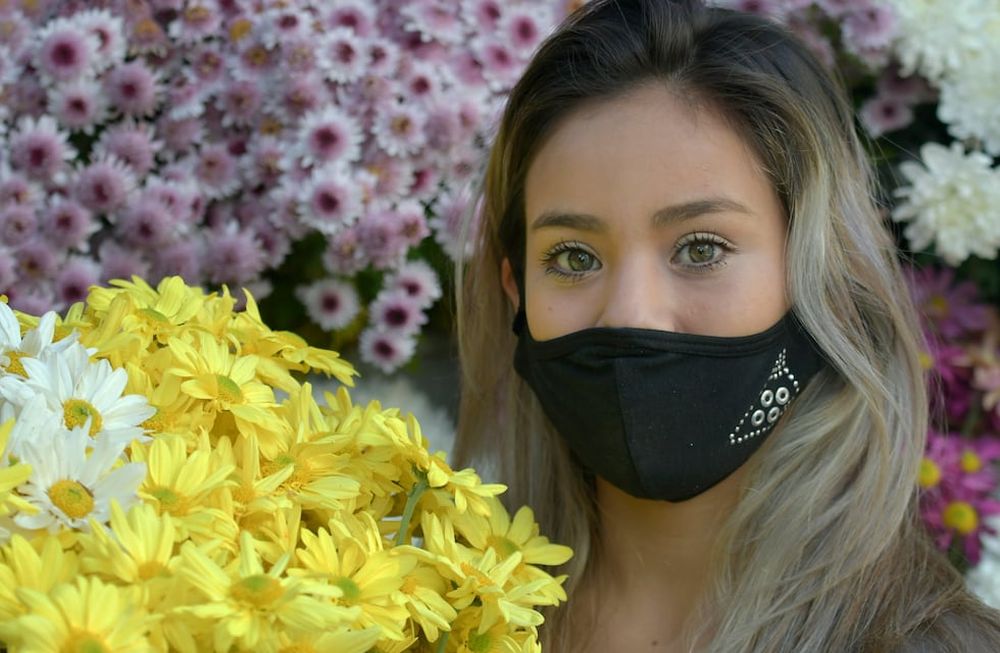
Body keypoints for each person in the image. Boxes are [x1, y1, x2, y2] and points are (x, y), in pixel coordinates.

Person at [451, 0, 1000, 651]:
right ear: (516, 293)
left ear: (817, 275)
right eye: (573, 256)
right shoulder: (426, 618)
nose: (630, 312)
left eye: (701, 248)